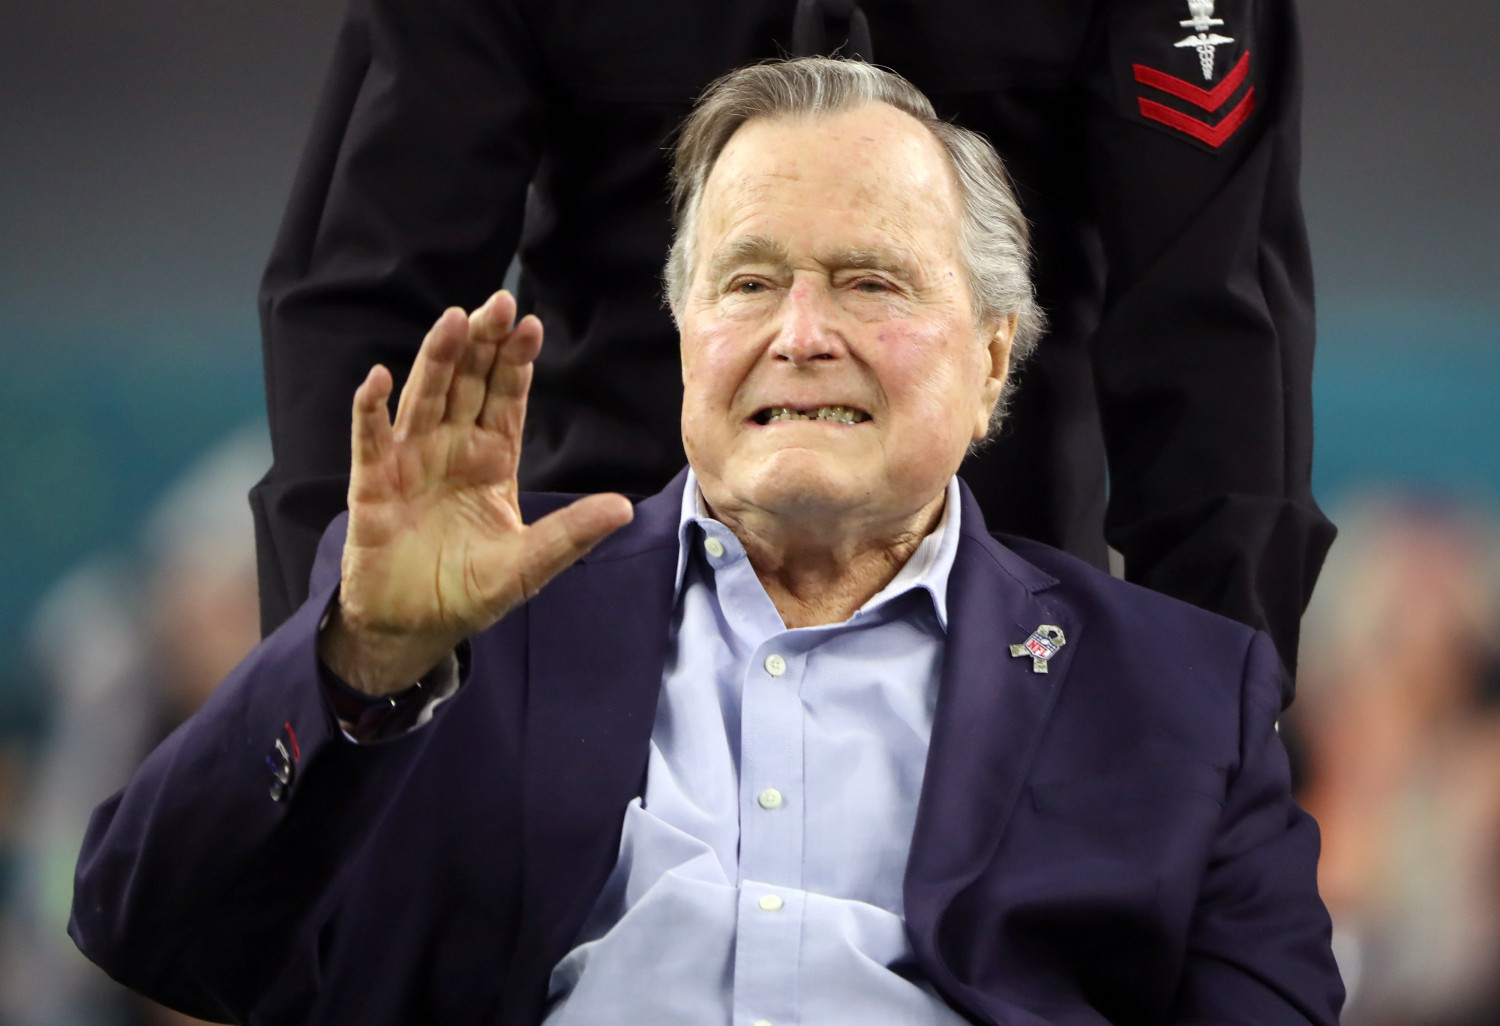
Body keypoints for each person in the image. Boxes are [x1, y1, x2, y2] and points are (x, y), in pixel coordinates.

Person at [75, 60, 1341, 1025]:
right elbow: (152, 928)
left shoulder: (1179, 696)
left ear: (994, 357)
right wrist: (356, 658)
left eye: (870, 281)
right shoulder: (469, 637)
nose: (799, 333)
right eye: (746, 282)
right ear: (685, 336)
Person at [254, 0, 1335, 700]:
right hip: (597, 639)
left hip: (1003, 652)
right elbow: (368, 313)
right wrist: (339, 689)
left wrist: (1209, 733)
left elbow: (1212, 333)